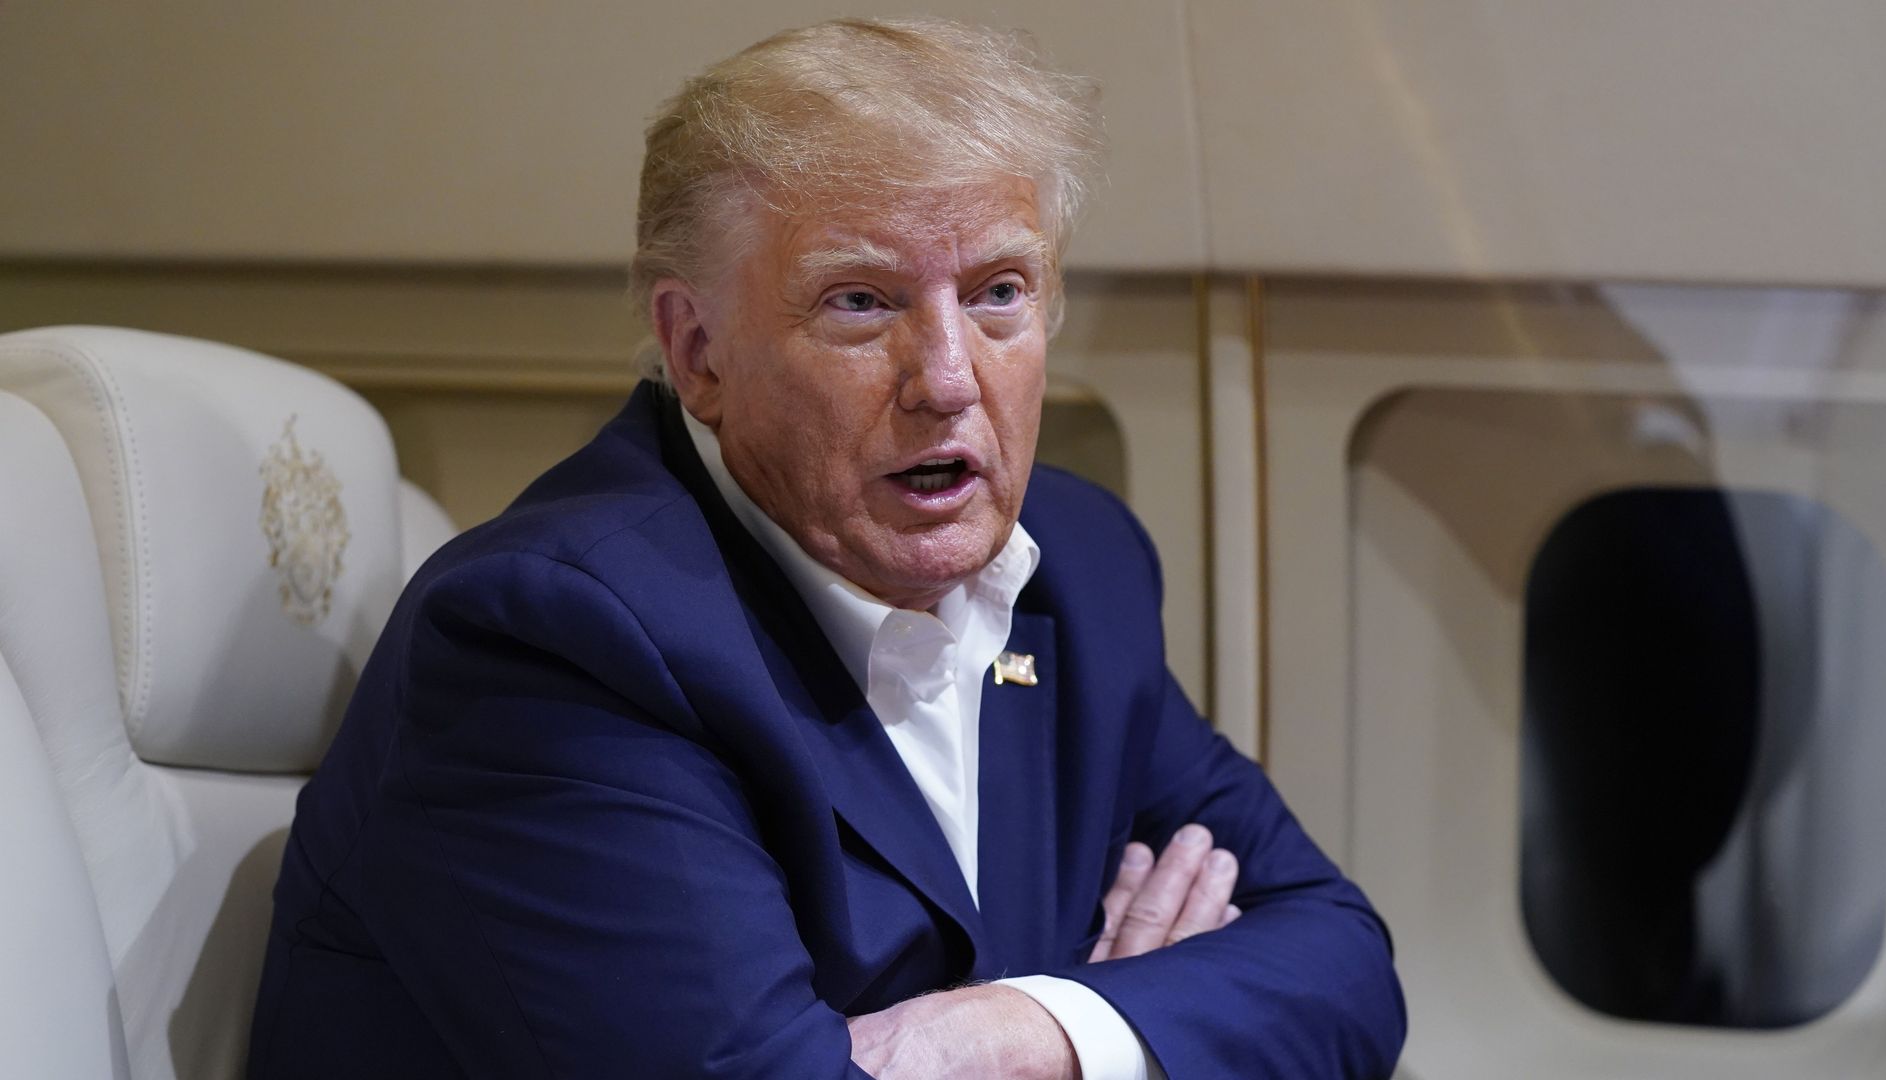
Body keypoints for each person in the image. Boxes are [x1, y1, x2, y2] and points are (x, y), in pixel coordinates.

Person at [249, 17, 1405, 1079]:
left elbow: (1344, 968)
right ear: (696, 350)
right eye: (861, 302)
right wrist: (1149, 1010)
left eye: (1000, 292)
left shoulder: (1083, 565)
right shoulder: (556, 641)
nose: (950, 378)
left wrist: (1027, 1031)